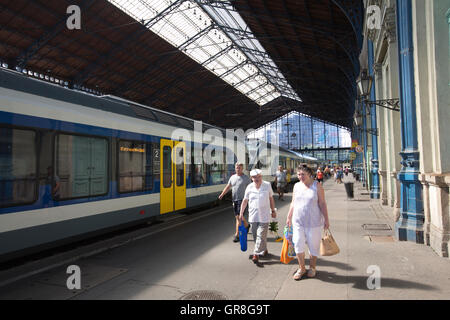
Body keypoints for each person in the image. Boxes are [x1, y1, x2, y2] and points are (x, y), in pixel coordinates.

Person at [286, 165, 330, 280]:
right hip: (298, 221)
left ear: (309, 174)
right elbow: (293, 203)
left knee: (313, 246)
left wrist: (326, 219)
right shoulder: (296, 186)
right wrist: (289, 216)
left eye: (303, 174)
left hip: (314, 222)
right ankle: (302, 268)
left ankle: (312, 267)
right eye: (299, 174)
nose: (300, 177)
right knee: (298, 244)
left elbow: (322, 203)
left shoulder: (317, 186)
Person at [239, 169, 277, 264]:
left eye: (259, 177)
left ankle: (256, 253)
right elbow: (245, 201)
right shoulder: (249, 187)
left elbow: (271, 198)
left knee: (261, 234)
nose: (257, 179)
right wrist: (241, 213)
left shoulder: (267, 185)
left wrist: (273, 210)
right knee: (256, 236)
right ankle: (264, 249)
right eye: (255, 177)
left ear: (261, 177)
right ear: (251, 178)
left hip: (264, 216)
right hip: (253, 216)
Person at [219, 162, 251, 242]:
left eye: (239, 168)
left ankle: (237, 235)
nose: (237, 169)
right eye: (236, 167)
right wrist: (222, 194)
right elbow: (228, 186)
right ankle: (247, 226)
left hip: (243, 200)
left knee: (238, 218)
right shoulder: (232, 177)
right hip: (235, 200)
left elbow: (250, 188)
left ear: (242, 168)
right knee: (238, 217)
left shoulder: (246, 178)